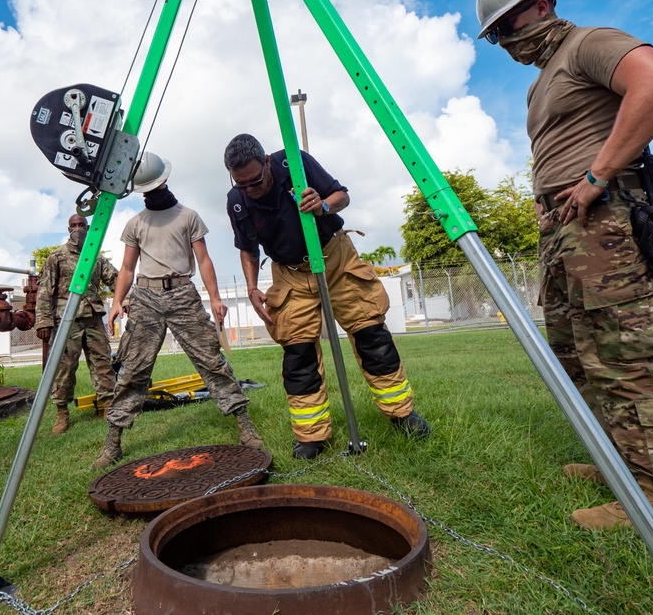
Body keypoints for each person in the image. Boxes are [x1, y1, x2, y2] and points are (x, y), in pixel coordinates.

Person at [475, 0, 653, 530]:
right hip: (568, 232)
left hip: (607, 228)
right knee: (581, 354)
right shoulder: (542, 77)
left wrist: (597, 178)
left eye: (507, 26)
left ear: (543, 3)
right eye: (494, 35)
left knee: (627, 358)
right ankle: (627, 461)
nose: (503, 42)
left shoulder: (587, 44)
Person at [223, 134, 430, 460]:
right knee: (298, 354)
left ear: (266, 161)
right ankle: (311, 437)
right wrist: (251, 288)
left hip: (335, 257)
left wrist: (321, 205)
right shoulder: (237, 200)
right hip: (290, 273)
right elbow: (247, 248)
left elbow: (342, 196)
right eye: (242, 184)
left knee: (371, 337)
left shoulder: (296, 162)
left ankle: (402, 415)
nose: (251, 189)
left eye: (255, 181)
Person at [92, 152, 263, 470]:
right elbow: (127, 268)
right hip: (146, 298)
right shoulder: (136, 223)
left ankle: (245, 426)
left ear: (165, 182)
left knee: (212, 362)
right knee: (132, 370)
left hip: (184, 295)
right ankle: (112, 443)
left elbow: (204, 260)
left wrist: (214, 298)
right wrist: (117, 301)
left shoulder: (189, 216)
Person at [35, 213, 119, 433]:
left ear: (88, 227)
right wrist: (43, 321)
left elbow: (116, 279)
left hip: (92, 317)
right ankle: (62, 412)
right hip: (66, 319)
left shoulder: (95, 257)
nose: (78, 228)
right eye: (73, 225)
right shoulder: (57, 257)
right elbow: (44, 290)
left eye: (82, 224)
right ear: (68, 228)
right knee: (64, 367)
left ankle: (108, 405)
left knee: (102, 362)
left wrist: (124, 299)